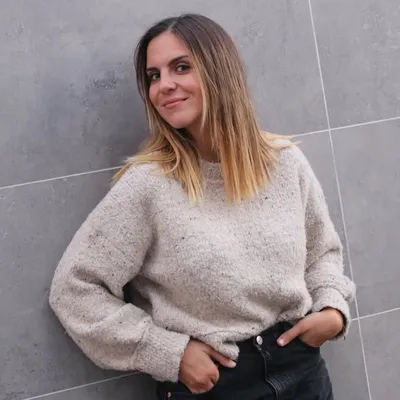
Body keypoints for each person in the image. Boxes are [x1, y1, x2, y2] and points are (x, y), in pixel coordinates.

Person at [49, 14, 355, 400]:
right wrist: (168, 353)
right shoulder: (149, 184)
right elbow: (74, 289)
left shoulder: (283, 162)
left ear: (218, 69)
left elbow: (322, 252)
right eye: (154, 75)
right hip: (215, 384)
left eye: (181, 67)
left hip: (302, 373)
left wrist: (332, 309)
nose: (164, 85)